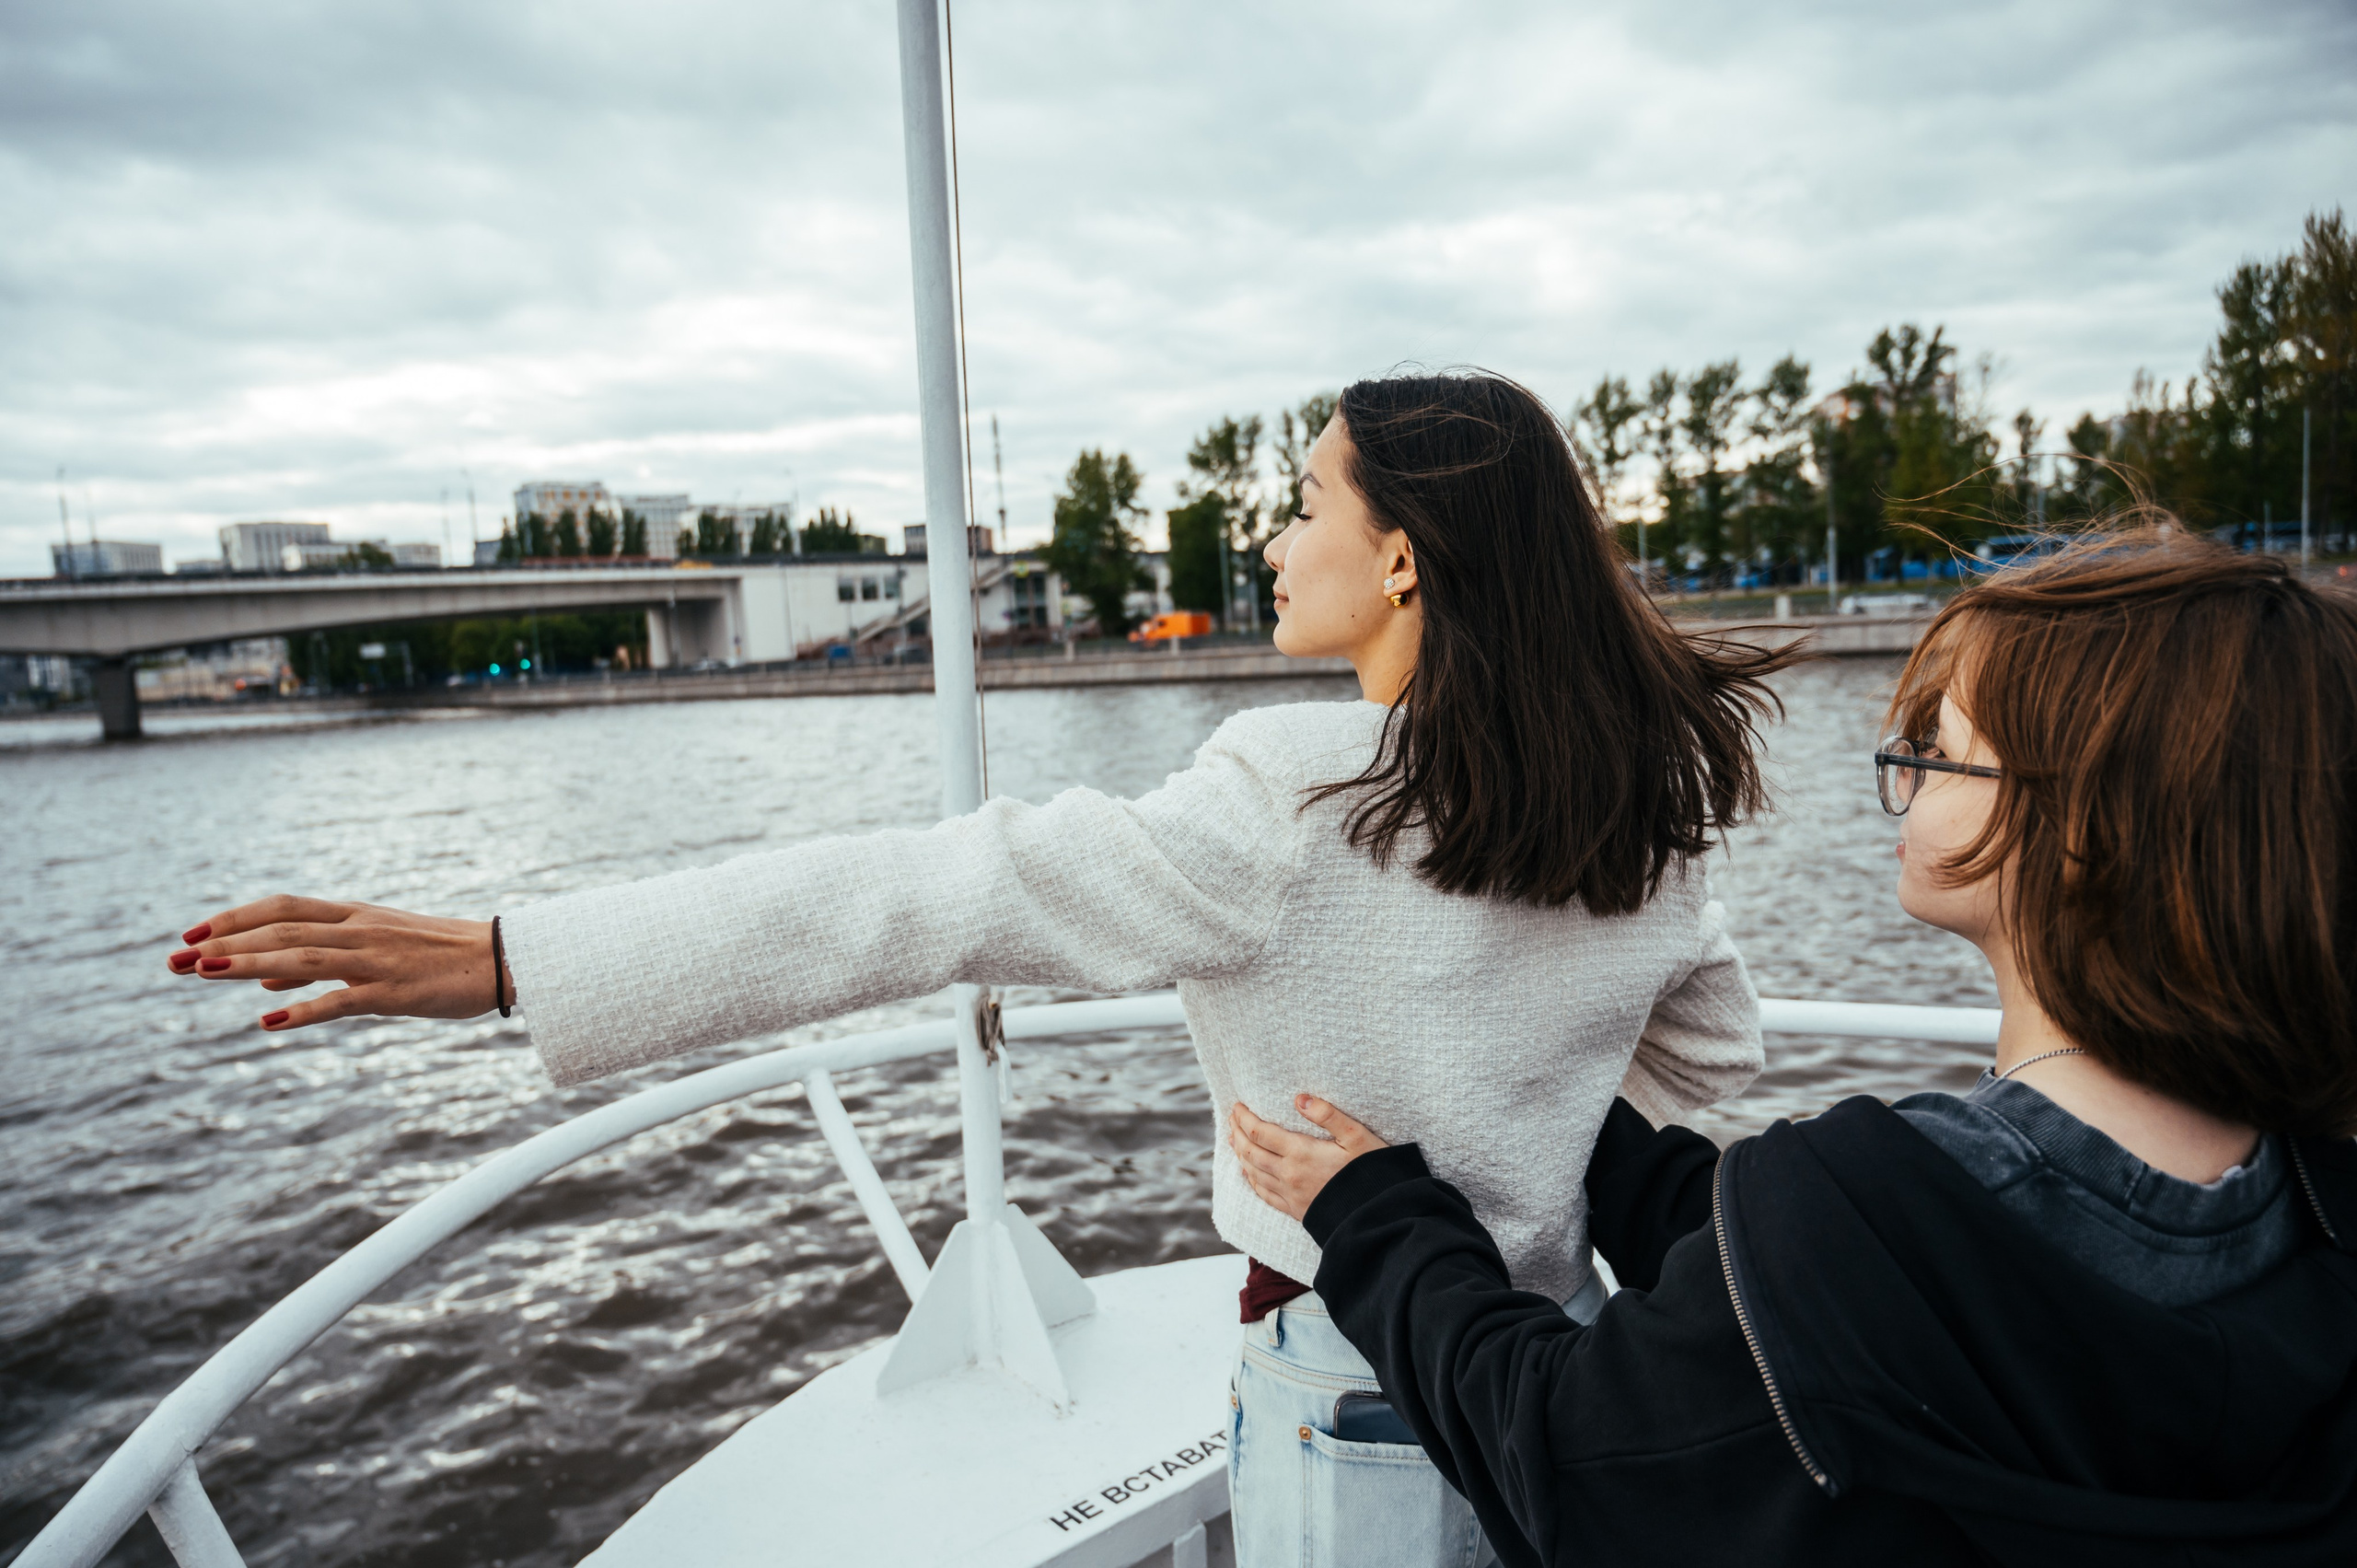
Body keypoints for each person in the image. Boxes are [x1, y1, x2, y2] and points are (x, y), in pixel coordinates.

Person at [166, 371, 1793, 1568]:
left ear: (1406, 559)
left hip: (1355, 1375)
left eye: (1307, 502)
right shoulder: (1639, 801)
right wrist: (1513, 1115)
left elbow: (930, 894)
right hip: (1557, 1362)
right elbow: (1713, 1061)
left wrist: (515, 957)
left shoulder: (1294, 795)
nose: (1275, 534)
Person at [1229, 526, 2357, 1566]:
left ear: (2082, 828)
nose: (1902, 770)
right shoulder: (2314, 1214)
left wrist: (1375, 1214)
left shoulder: (1855, 1206)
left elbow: (1555, 1441)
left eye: (1938, 747)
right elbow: (1882, 1284)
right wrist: (1571, 1115)